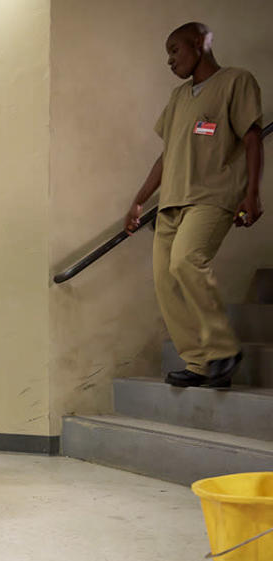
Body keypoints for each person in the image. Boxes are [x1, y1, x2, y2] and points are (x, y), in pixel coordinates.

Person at [125, 22, 264, 388]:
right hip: (172, 200)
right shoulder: (177, 98)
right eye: (167, 54)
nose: (169, 60)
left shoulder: (236, 81)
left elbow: (252, 139)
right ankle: (200, 363)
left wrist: (252, 193)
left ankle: (222, 350)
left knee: (187, 260)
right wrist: (139, 200)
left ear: (200, 44)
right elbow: (166, 155)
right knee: (165, 281)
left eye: (175, 50)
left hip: (213, 195)